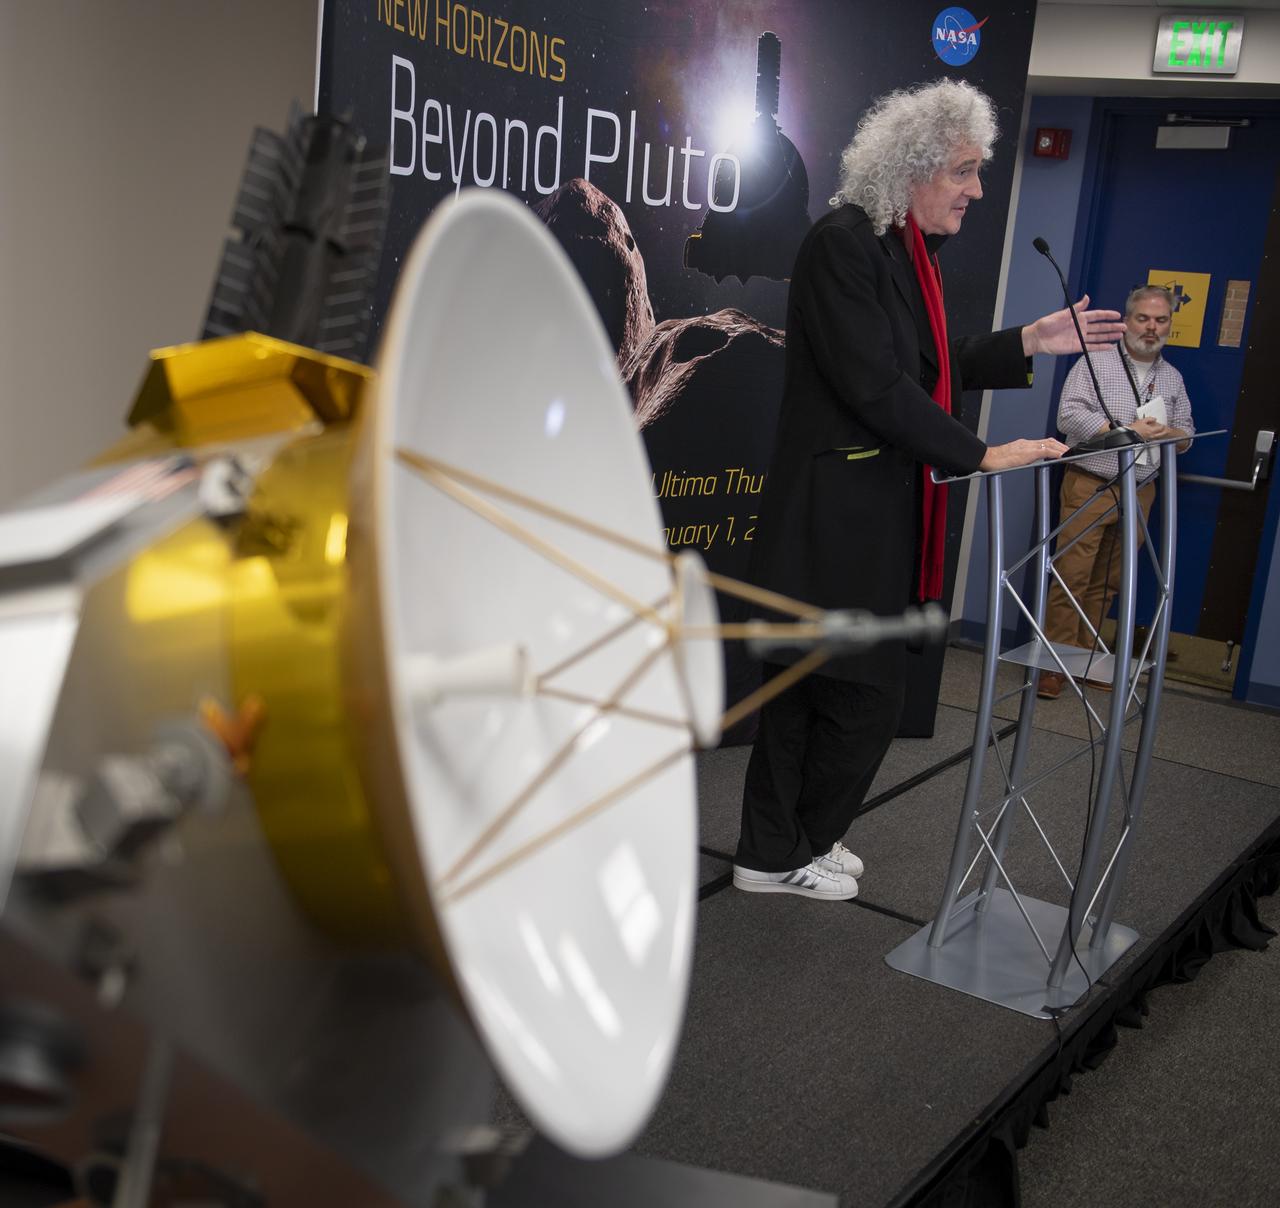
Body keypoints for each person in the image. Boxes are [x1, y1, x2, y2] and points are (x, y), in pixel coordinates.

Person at [732, 79, 1127, 901]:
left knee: (816, 692)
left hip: (861, 520)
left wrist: (1026, 342)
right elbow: (876, 385)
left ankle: (779, 848)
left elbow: (922, 363)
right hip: (836, 525)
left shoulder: (892, 248)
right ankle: (791, 846)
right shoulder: (846, 244)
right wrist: (978, 453)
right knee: (854, 696)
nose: (978, 191)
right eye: (964, 171)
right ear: (912, 169)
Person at [1037, 285, 1194, 699]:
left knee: (1109, 580)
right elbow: (1068, 416)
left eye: (1161, 320)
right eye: (1143, 318)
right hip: (1092, 482)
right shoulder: (1096, 362)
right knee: (1072, 575)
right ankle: (1052, 665)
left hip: (1141, 488)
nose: (1151, 327)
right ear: (1127, 321)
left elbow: (1187, 437)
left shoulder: (1172, 378)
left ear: (1169, 326)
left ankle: (1086, 659)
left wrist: (1169, 434)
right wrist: (1126, 432)